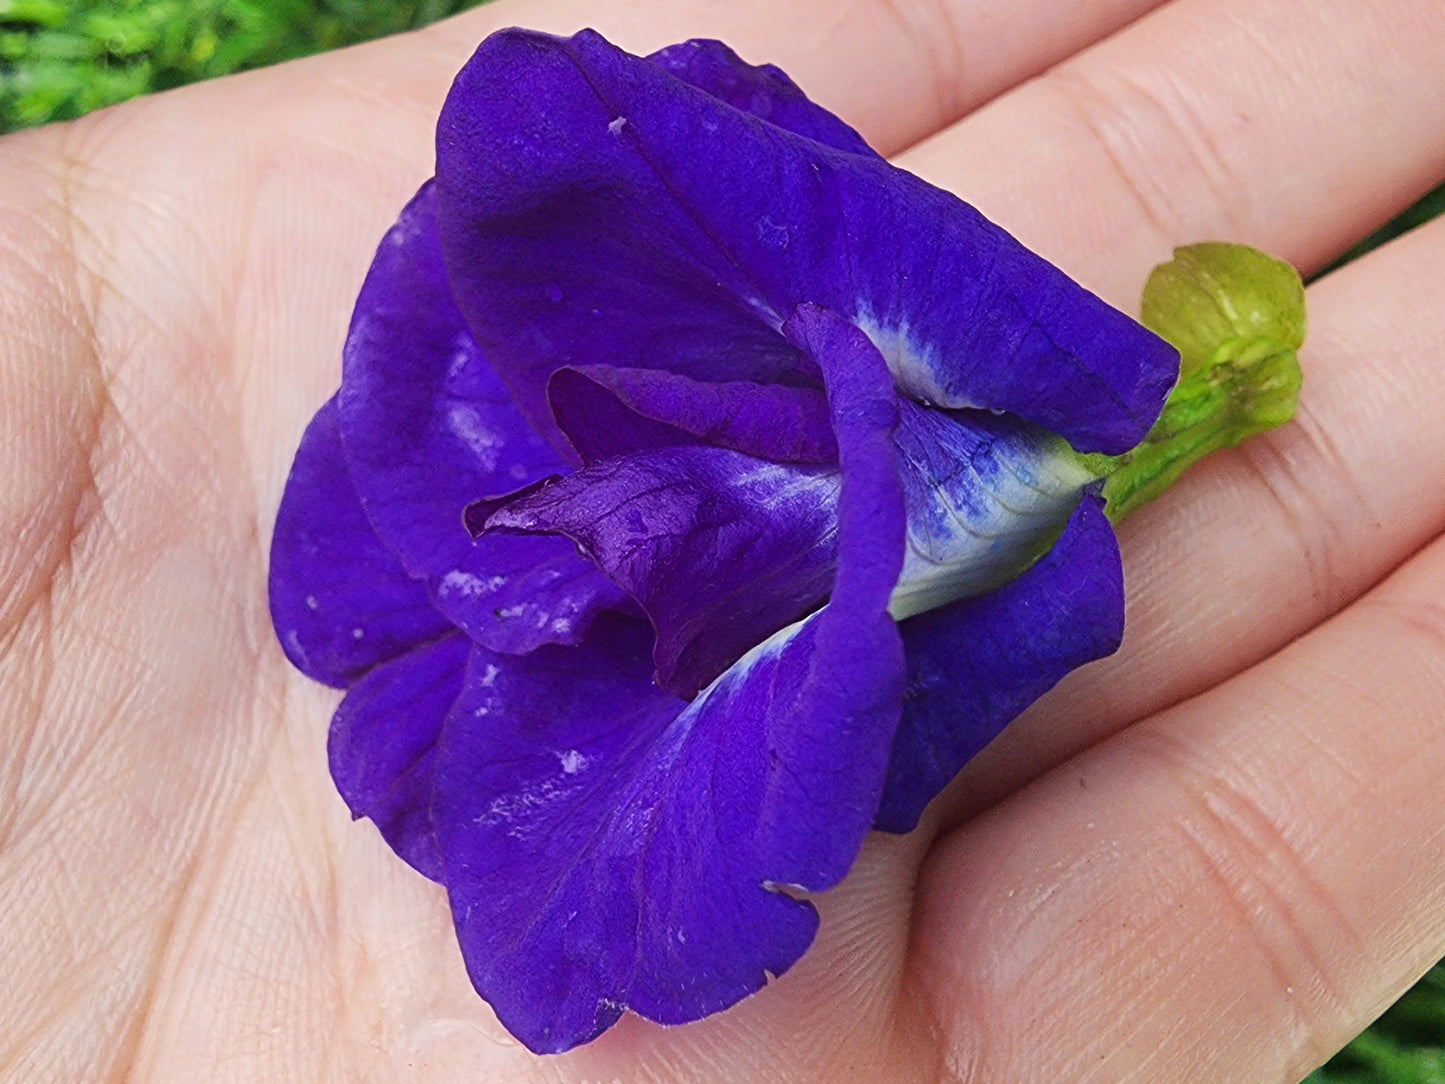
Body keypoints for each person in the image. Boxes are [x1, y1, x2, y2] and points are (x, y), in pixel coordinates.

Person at [3, 0, 1443, 1079]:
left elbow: (615, 155)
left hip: (970, 431)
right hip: (972, 444)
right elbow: (399, 673)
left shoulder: (984, 445)